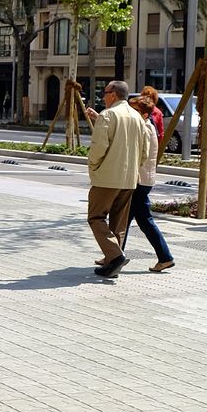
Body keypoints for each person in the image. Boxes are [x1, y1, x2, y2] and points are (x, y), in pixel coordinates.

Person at [84, 79, 152, 277]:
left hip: (106, 177)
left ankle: (114, 256)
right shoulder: (137, 117)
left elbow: (98, 148)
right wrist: (134, 168)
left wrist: (94, 166)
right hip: (129, 178)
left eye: (105, 92)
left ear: (113, 94)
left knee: (96, 217)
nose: (103, 96)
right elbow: (144, 151)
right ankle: (112, 262)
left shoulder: (108, 115)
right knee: (118, 223)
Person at [125, 96, 176, 273]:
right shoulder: (145, 126)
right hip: (143, 179)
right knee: (139, 219)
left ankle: (114, 256)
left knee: (128, 219)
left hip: (139, 180)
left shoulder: (145, 128)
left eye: (135, 110)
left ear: (145, 114)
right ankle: (164, 257)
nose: (130, 113)